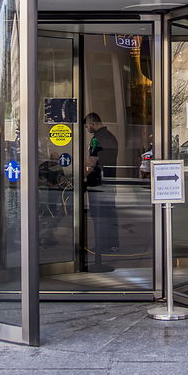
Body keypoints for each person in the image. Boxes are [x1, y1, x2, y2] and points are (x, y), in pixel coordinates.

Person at [83, 113, 119, 271]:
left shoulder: (96, 139)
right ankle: (112, 244)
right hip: (110, 182)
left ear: (92, 122)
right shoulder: (111, 137)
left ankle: (101, 244)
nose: (86, 128)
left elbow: (92, 161)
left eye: (86, 125)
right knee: (110, 213)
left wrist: (81, 175)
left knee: (98, 215)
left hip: (97, 183)